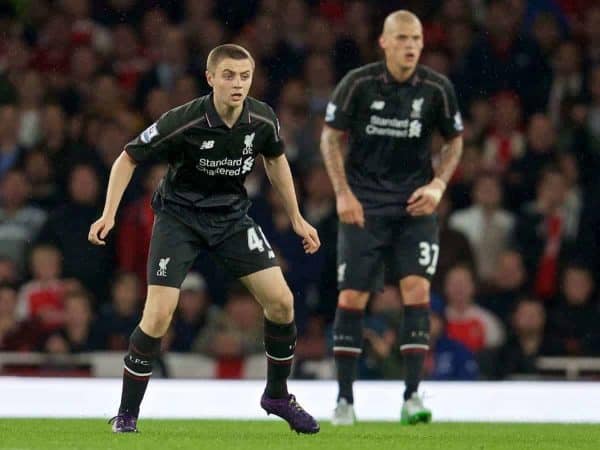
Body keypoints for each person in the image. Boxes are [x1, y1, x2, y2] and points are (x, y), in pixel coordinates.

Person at [88, 44, 321, 434]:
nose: (237, 84)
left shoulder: (262, 119)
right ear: (210, 78)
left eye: (244, 76)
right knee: (158, 314)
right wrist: (109, 212)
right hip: (179, 219)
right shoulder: (184, 120)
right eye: (228, 75)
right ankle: (127, 413)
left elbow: (276, 158)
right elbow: (128, 157)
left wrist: (297, 217)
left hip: (231, 219)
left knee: (282, 302)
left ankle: (277, 395)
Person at [320, 10, 463, 425]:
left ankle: (413, 397)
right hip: (362, 207)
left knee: (417, 292)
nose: (411, 45)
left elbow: (456, 141)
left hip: (413, 206)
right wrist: (343, 193)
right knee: (352, 298)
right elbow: (330, 137)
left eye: (416, 38)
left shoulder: (437, 88)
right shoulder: (359, 84)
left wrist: (438, 185)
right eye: (402, 38)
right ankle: (344, 401)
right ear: (383, 43)